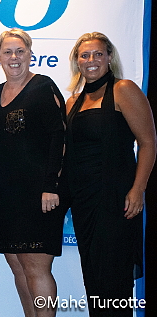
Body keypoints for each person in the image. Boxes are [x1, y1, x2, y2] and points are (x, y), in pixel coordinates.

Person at [65, 32, 156, 316]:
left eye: (98, 54)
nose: (91, 61)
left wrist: (138, 189)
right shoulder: (72, 102)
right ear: (77, 61)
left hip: (117, 200)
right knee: (92, 278)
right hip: (83, 202)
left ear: (109, 58)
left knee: (114, 280)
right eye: (84, 55)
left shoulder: (124, 89)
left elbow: (148, 143)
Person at [0, 28, 66, 317]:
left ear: (30, 54)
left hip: (40, 194)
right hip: (9, 196)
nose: (14, 57)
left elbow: (60, 137)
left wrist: (52, 186)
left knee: (36, 266)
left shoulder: (43, 86)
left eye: (20, 51)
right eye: (7, 52)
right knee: (17, 265)